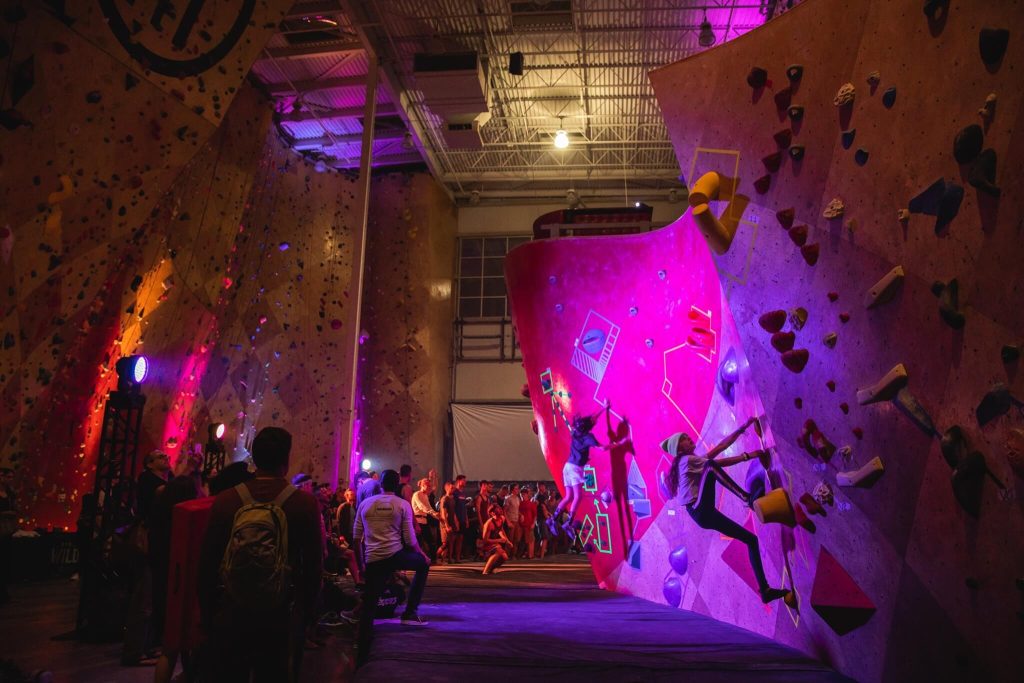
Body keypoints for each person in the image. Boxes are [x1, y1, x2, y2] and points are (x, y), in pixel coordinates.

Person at [198, 427, 324, 682]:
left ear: (254, 458)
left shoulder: (226, 500)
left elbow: (207, 561)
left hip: (232, 609)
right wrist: (309, 613)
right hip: (280, 614)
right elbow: (313, 564)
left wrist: (208, 612)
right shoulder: (303, 504)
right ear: (286, 461)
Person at [662, 418, 790, 604]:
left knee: (750, 540)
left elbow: (720, 449)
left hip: (703, 514)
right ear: (679, 450)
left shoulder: (692, 461)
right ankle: (747, 498)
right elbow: (716, 465)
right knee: (712, 469)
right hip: (701, 510)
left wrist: (743, 431)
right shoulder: (685, 461)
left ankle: (765, 590)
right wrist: (749, 455)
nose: (689, 438)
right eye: (684, 438)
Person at [353, 469, 430, 668]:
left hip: (373, 559)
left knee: (370, 604)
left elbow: (356, 538)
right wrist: (422, 554)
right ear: (396, 486)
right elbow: (410, 538)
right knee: (422, 565)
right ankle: (410, 613)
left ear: (380, 485)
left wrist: (361, 563)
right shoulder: (402, 504)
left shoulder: (365, 503)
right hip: (395, 556)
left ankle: (361, 651)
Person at [548, 405, 628, 537]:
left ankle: (552, 520)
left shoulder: (575, 431)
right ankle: (568, 523)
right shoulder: (588, 437)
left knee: (569, 497)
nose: (594, 421)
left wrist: (604, 408)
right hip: (575, 468)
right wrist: (620, 443)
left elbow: (592, 418)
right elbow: (602, 448)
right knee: (578, 496)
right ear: (588, 427)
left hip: (567, 467)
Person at [0, 467, 17, 605]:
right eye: (8, 477)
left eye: (12, 477)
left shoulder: (11, 494)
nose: (10, 480)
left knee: (5, 560)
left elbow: (16, 509)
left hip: (6, 530)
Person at [480, 504, 512, 575]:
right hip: (486, 546)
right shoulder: (489, 524)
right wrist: (499, 540)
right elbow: (485, 540)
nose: (500, 510)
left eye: (500, 509)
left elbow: (501, 530)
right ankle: (485, 571)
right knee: (499, 551)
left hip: (495, 544)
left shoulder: (502, 519)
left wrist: (507, 541)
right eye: (497, 509)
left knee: (504, 557)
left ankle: (491, 569)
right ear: (492, 513)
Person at [411, 478, 439, 561]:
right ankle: (417, 560)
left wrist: (437, 516)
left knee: (430, 541)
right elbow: (422, 507)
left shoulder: (426, 496)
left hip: (424, 520)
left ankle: (433, 560)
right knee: (418, 542)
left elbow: (429, 507)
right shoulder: (417, 494)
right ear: (423, 485)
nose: (430, 487)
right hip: (418, 521)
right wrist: (433, 513)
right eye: (428, 485)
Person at [437, 481, 458, 564]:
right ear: (447, 488)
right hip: (445, 523)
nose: (453, 489)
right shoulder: (444, 499)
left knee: (451, 541)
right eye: (451, 488)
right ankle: (435, 557)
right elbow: (443, 513)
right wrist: (446, 525)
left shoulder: (452, 498)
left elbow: (454, 512)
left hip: (452, 522)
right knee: (445, 543)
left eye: (454, 488)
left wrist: (456, 522)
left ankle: (448, 559)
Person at [452, 475, 469, 562]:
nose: (465, 482)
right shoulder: (454, 492)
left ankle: (457, 558)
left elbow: (464, 507)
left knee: (460, 538)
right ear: (458, 481)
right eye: (463, 480)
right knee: (453, 539)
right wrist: (455, 520)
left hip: (462, 519)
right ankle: (449, 557)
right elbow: (452, 507)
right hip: (456, 520)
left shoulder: (463, 493)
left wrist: (466, 519)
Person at [518, 486, 537, 559]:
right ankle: (520, 554)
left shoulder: (531, 504)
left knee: (530, 540)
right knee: (520, 540)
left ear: (527, 494)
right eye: (521, 494)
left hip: (529, 524)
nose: (523, 496)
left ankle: (530, 555)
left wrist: (533, 524)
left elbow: (535, 515)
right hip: (520, 524)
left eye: (524, 494)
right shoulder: (519, 503)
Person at [503, 484, 522, 556]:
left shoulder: (517, 498)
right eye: (516, 488)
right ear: (512, 490)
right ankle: (506, 555)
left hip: (516, 520)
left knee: (516, 539)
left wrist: (521, 515)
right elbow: (504, 510)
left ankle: (513, 555)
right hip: (511, 520)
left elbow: (517, 509)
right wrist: (507, 521)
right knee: (510, 539)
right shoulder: (508, 498)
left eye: (518, 488)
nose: (517, 490)